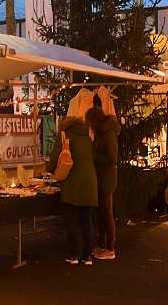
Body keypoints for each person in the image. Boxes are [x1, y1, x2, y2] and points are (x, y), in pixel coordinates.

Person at [47, 112, 98, 265]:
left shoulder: (64, 136)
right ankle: (88, 255)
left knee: (72, 221)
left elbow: (54, 159)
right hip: (90, 183)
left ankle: (73, 254)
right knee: (87, 221)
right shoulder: (87, 137)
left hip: (72, 184)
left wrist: (49, 170)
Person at [86, 106, 120, 261]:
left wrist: (93, 156)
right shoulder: (102, 133)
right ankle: (101, 245)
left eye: (90, 123)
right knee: (101, 213)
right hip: (101, 177)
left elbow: (112, 158)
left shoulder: (108, 133)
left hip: (107, 178)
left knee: (106, 213)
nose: (89, 126)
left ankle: (110, 248)